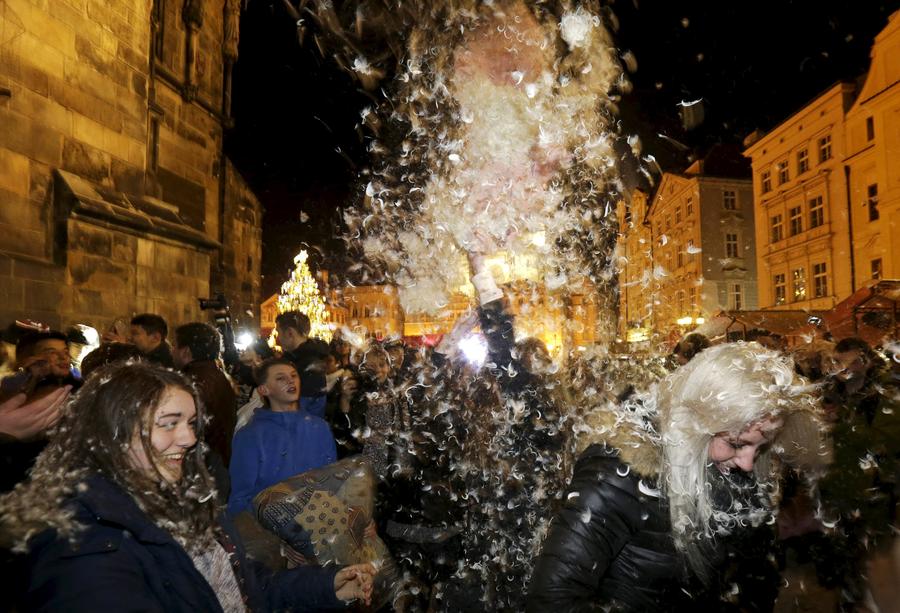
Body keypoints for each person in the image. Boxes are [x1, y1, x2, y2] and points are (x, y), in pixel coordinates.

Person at [0, 362, 375, 611]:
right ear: (112, 431)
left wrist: (326, 585)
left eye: (192, 423)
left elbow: (238, 585)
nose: (189, 438)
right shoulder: (85, 544)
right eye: (168, 423)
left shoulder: (183, 501)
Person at [526, 342, 821, 612]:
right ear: (694, 424)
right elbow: (551, 602)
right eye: (735, 443)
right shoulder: (618, 474)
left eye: (761, 446)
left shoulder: (733, 467)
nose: (747, 462)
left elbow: (753, 569)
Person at [228, 358, 338, 517]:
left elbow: (333, 480)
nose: (290, 381)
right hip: (271, 525)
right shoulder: (250, 436)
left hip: (319, 519)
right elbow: (241, 497)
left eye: (294, 375)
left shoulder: (320, 427)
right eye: (281, 378)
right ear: (264, 390)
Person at [173, 322, 237, 468]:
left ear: (185, 352)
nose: (172, 351)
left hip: (202, 465)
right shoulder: (216, 375)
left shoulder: (191, 384)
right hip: (216, 462)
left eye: (175, 345)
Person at [275, 311, 330, 418]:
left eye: (278, 332)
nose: (278, 339)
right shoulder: (297, 360)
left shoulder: (309, 366)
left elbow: (294, 411)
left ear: (290, 333)